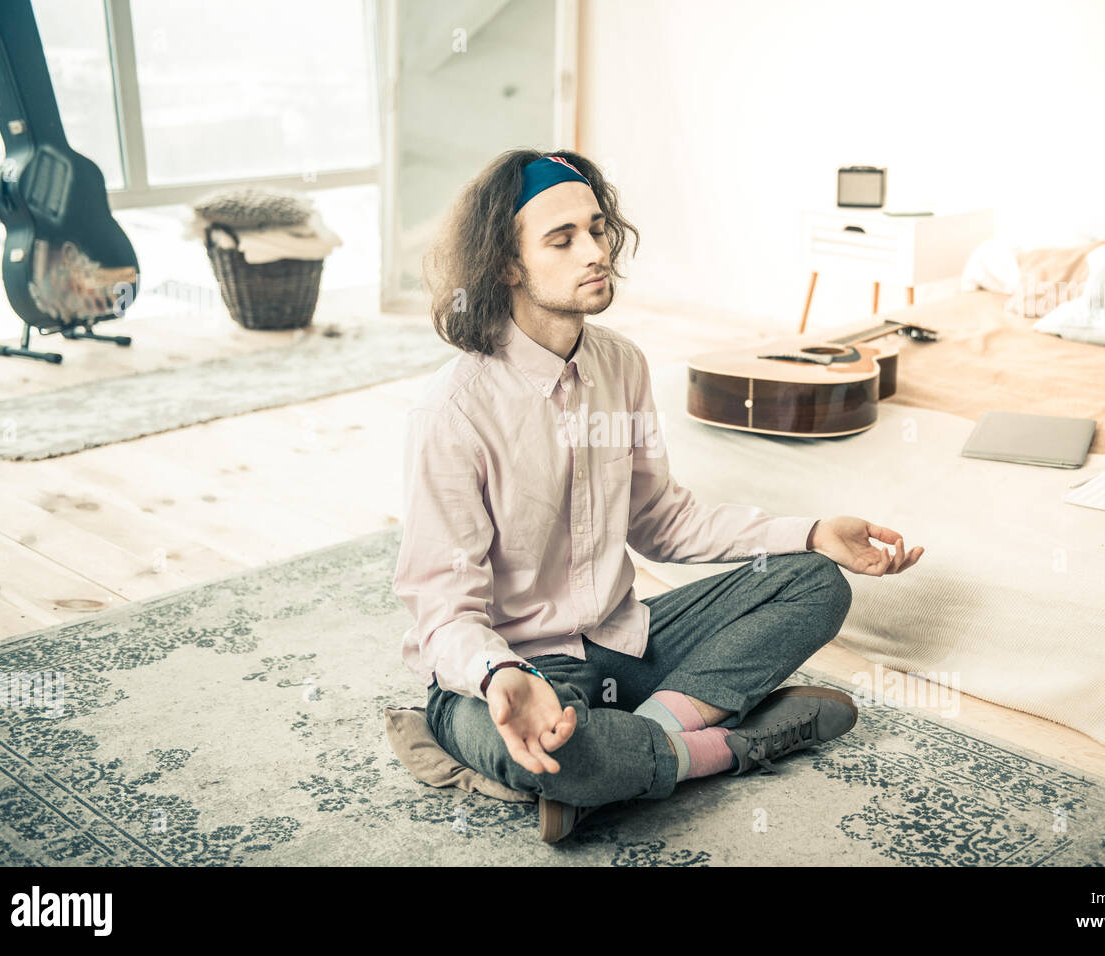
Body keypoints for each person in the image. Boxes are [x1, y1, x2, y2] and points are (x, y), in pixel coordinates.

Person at [393, 149, 924, 843]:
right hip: (511, 673)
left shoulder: (620, 364)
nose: (596, 251)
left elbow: (661, 521)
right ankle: (732, 745)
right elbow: (441, 609)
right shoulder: (452, 413)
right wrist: (498, 677)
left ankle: (626, 754)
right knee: (547, 753)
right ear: (507, 266)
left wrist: (814, 530)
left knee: (816, 584)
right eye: (564, 239)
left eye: (598, 228)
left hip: (621, 643)